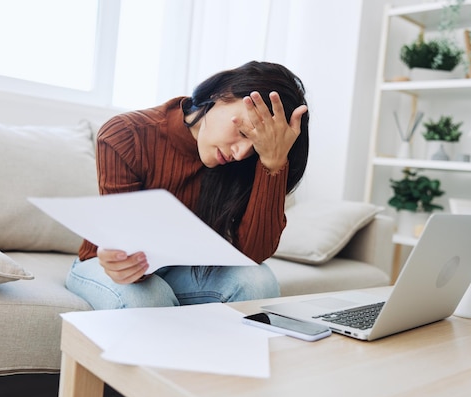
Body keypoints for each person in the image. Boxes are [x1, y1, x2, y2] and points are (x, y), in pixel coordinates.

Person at [66, 61, 309, 312]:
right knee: (149, 298)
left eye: (256, 147)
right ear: (220, 95)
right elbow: (124, 249)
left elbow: (252, 257)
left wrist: (272, 163)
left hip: (184, 268)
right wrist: (125, 262)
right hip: (105, 265)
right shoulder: (127, 134)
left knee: (258, 281)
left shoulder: (247, 164)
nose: (240, 153)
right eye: (245, 133)